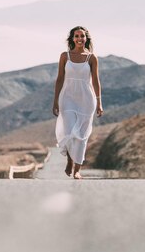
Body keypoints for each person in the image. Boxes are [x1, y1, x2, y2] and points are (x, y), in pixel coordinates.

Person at [52, 26, 103, 179]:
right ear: (72, 39)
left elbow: (96, 81)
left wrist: (99, 102)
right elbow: (60, 78)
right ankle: (69, 160)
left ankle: (77, 170)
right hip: (67, 98)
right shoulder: (64, 56)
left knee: (81, 135)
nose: (79, 39)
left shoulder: (92, 58)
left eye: (82, 36)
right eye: (76, 36)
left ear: (86, 38)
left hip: (86, 99)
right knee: (68, 132)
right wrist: (55, 101)